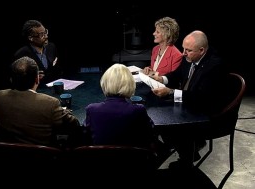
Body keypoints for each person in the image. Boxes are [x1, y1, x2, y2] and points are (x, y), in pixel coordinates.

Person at [151, 30, 228, 169]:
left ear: (202, 50)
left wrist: (171, 92)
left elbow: (200, 97)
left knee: (169, 119)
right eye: (183, 48)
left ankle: (186, 158)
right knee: (158, 112)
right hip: (192, 101)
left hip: (207, 112)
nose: (183, 53)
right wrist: (161, 79)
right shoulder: (189, 57)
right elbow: (177, 74)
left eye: (188, 50)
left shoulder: (214, 66)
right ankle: (181, 150)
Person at [0, 56, 81, 148]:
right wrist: (64, 112)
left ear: (11, 79)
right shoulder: (50, 103)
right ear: (37, 79)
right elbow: (74, 124)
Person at [83, 63, 155, 148]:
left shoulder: (92, 109)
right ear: (130, 84)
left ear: (104, 83)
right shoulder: (138, 110)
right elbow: (150, 132)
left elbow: (85, 134)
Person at [14, 20, 63, 85]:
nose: (46, 36)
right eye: (41, 34)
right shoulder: (21, 54)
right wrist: (32, 78)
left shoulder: (51, 47)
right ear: (31, 38)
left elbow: (58, 70)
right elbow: (18, 80)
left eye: (45, 32)